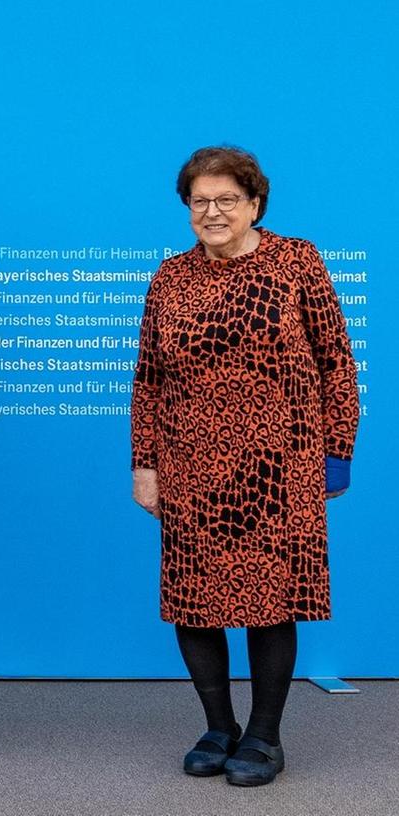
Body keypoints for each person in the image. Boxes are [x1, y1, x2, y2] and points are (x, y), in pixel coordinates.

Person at [131, 145, 359, 787]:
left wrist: (336, 453)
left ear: (254, 203)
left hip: (279, 466)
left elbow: (336, 361)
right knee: (194, 601)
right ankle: (217, 725)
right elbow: (148, 379)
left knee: (269, 601)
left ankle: (263, 735)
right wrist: (144, 464)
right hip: (190, 464)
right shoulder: (169, 278)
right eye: (200, 201)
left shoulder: (296, 262)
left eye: (227, 199)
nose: (212, 211)